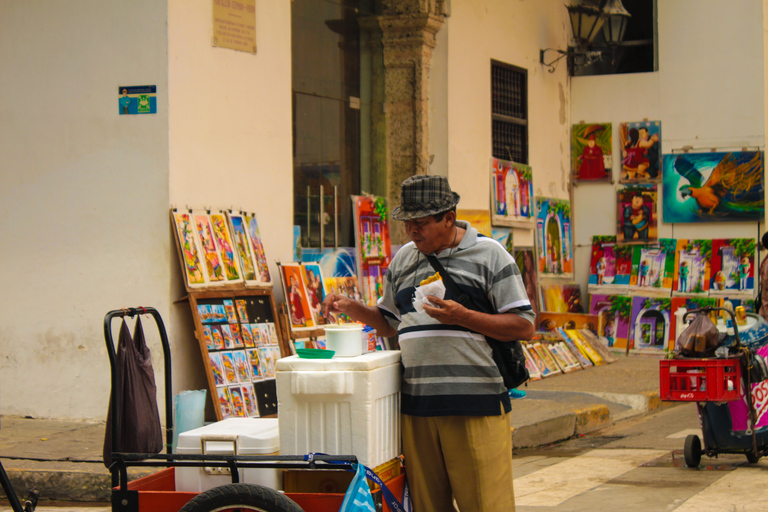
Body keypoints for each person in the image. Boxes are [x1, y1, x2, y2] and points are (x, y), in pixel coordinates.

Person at [321, 175, 535, 512]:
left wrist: (463, 317)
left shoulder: (491, 255)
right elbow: (388, 322)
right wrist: (352, 307)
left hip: (475, 406)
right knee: (426, 506)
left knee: (485, 504)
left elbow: (525, 325)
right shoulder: (404, 260)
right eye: (407, 224)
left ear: (448, 218)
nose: (412, 232)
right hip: (418, 408)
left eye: (420, 223)